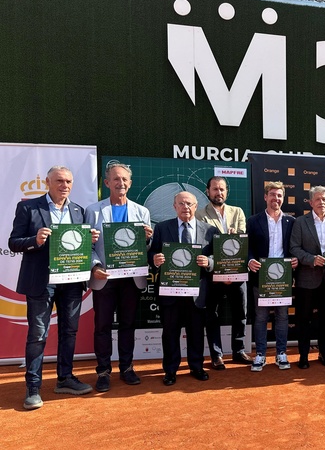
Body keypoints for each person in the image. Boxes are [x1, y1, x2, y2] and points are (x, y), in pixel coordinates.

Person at [9, 165, 99, 410]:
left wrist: (89, 241)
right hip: (41, 282)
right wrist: (35, 240)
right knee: (38, 335)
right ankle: (33, 387)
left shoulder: (78, 211)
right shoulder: (28, 207)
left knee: (69, 332)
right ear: (48, 182)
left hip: (71, 282)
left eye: (68, 181)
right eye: (59, 181)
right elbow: (14, 242)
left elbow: (84, 248)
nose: (65, 185)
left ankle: (65, 378)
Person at [84, 163, 153, 392]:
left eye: (124, 179)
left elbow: (146, 248)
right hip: (105, 277)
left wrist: (148, 240)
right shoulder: (93, 210)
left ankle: (127, 368)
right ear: (106, 183)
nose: (120, 183)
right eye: (115, 179)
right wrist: (94, 266)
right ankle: (103, 371)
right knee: (102, 326)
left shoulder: (142, 211)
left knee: (128, 325)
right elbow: (87, 246)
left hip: (131, 278)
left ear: (130, 183)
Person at [148, 191, 219, 386]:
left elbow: (218, 257)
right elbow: (153, 251)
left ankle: (196, 366)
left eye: (189, 203)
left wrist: (209, 262)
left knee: (196, 331)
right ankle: (170, 370)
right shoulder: (162, 228)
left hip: (197, 292)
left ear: (196, 206)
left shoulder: (210, 230)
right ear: (174, 206)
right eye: (181, 203)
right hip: (171, 291)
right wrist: (155, 259)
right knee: (170, 332)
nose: (185, 207)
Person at [196, 176, 251, 369]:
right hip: (213, 274)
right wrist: (221, 270)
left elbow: (242, 241)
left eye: (222, 189)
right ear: (207, 191)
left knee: (240, 314)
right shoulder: (200, 214)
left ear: (227, 192)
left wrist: (231, 270)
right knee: (212, 315)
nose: (218, 193)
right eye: (215, 189)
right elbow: (206, 245)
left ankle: (239, 351)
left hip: (237, 273)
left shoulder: (238, 212)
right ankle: (216, 355)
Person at [246, 182, 298, 372]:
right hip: (261, 277)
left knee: (282, 317)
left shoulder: (291, 222)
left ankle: (281, 353)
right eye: (273, 195)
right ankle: (260, 354)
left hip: (283, 278)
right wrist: (250, 260)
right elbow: (247, 247)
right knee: (260, 317)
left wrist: (295, 260)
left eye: (279, 196)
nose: (276, 199)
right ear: (265, 197)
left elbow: (295, 248)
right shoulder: (253, 221)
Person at [290, 186, 325, 369]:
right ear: (310, 202)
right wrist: (312, 259)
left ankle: (324, 352)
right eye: (318, 199)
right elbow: (294, 248)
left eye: (324, 199)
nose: (321, 202)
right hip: (306, 279)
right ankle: (303, 355)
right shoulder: (300, 222)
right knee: (303, 319)